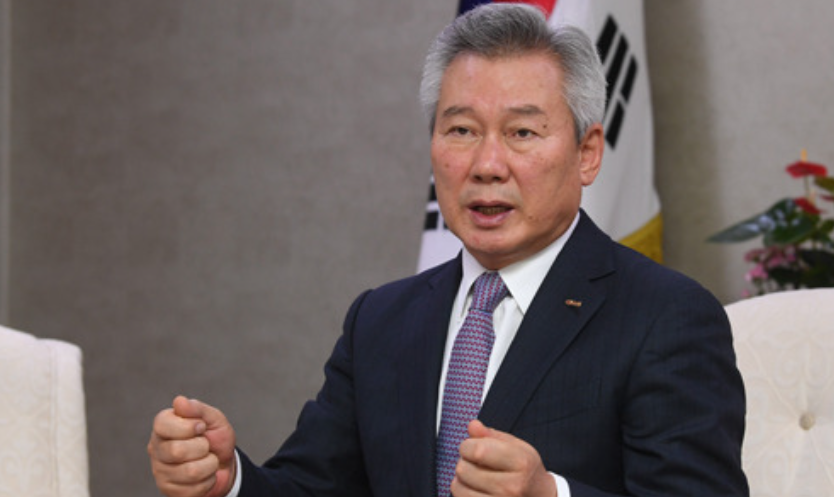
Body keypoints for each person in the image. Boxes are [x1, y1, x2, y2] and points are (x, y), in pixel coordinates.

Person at [147, 4, 748, 497]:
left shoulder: (666, 316)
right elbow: (312, 487)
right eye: (461, 130)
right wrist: (228, 482)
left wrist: (549, 494)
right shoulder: (381, 321)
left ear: (587, 154)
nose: (487, 165)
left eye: (522, 132)